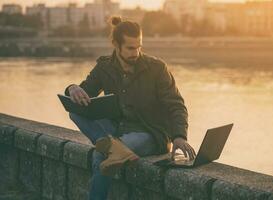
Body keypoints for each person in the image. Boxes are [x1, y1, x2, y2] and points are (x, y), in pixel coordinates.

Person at [64, 16, 196, 200]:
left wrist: (179, 136)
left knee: (100, 157)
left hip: (150, 133)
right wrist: (73, 88)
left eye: (139, 46)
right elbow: (84, 94)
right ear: (115, 45)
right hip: (117, 129)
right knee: (75, 110)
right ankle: (112, 146)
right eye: (130, 48)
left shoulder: (157, 68)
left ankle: (109, 147)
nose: (136, 52)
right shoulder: (104, 66)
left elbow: (176, 104)